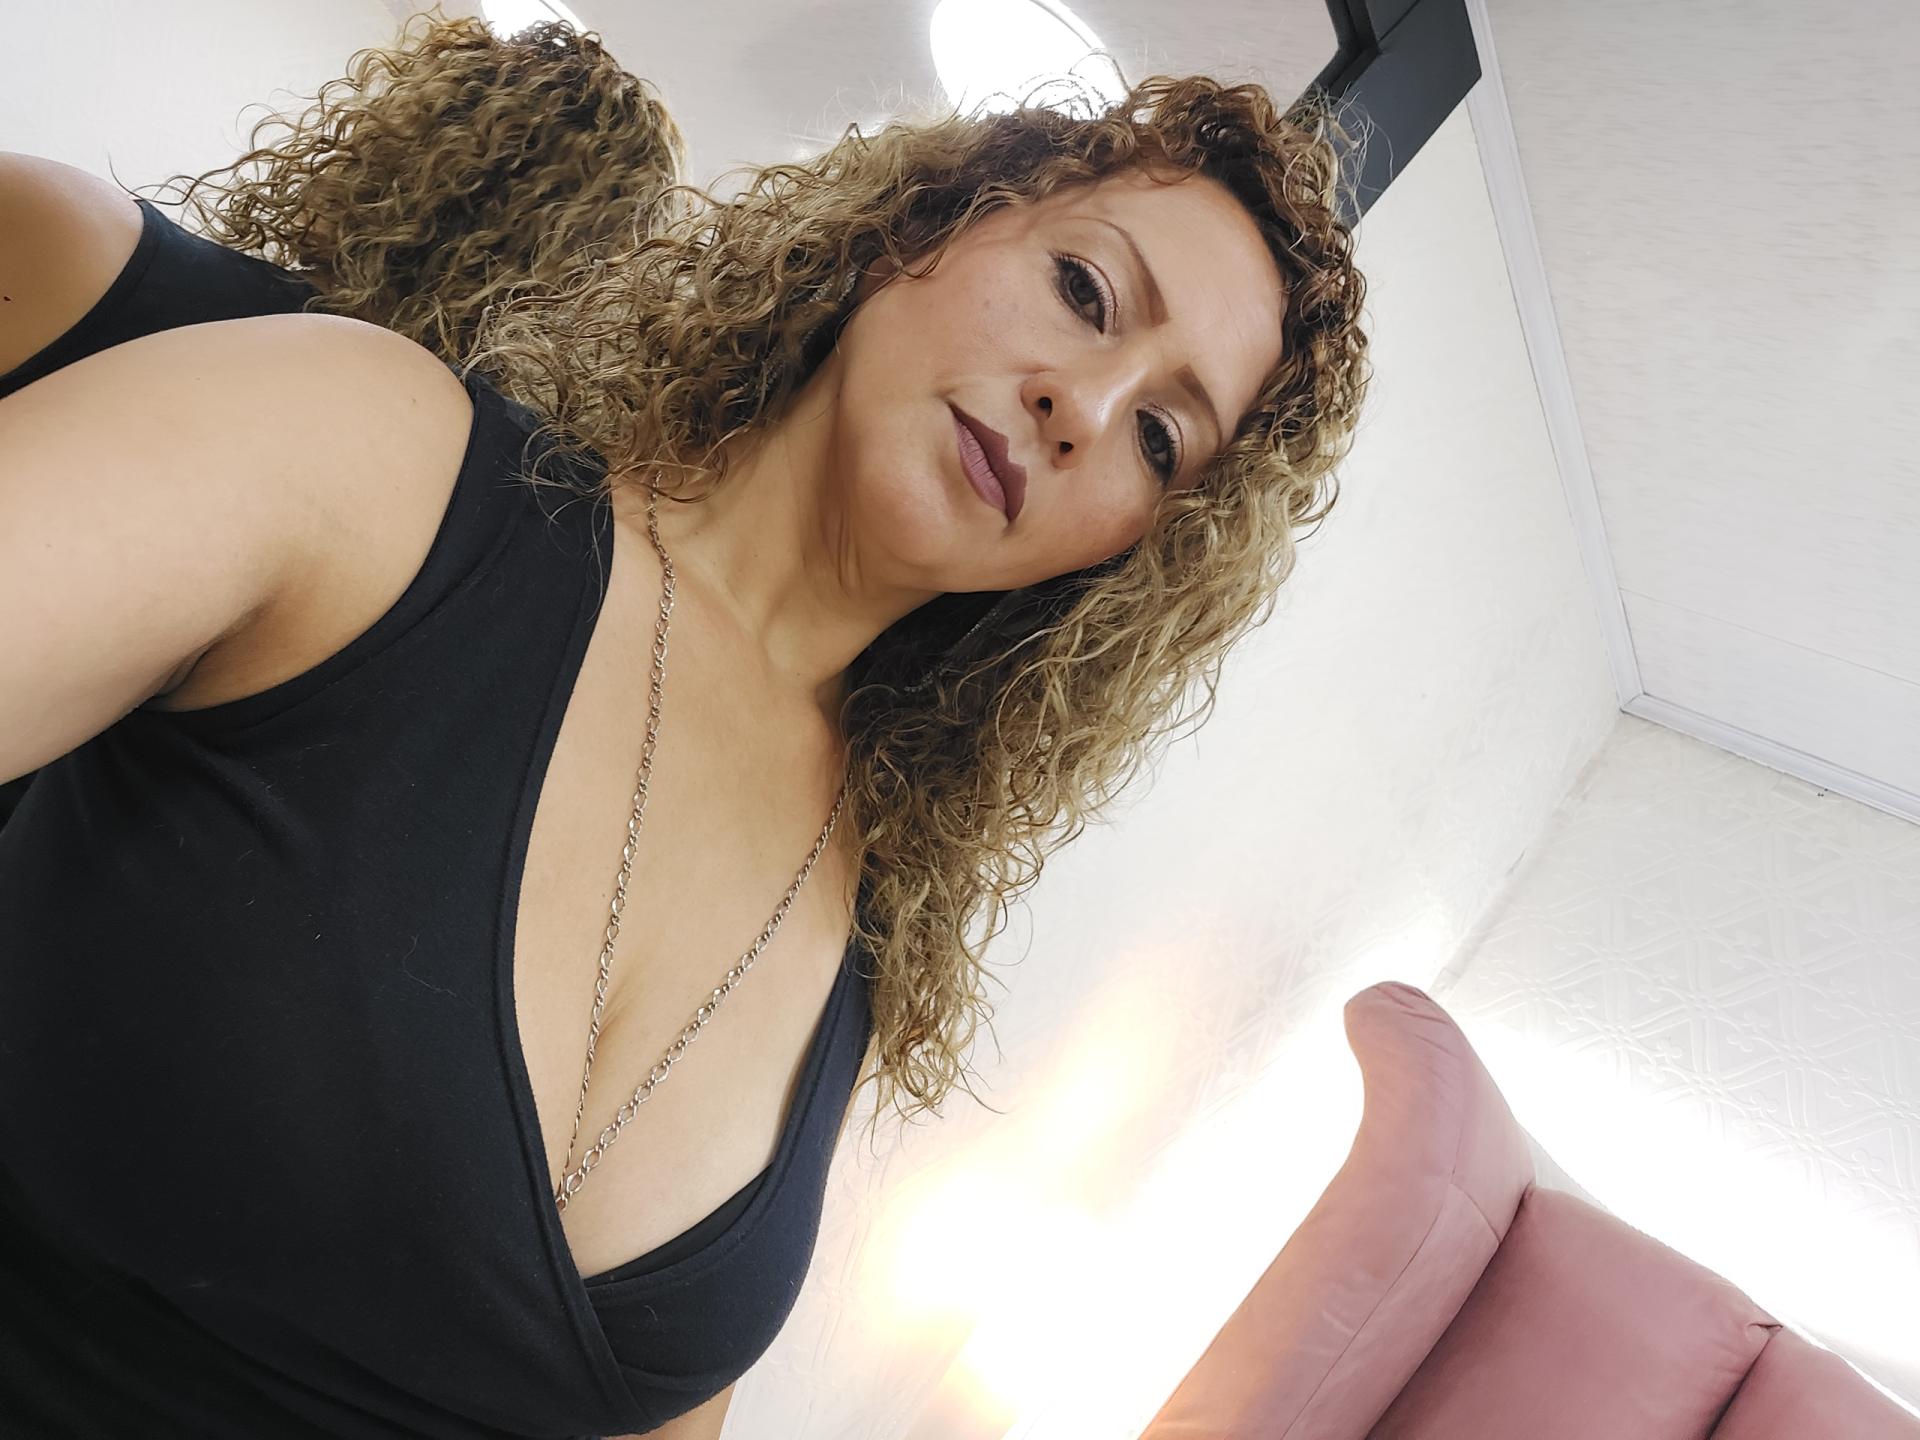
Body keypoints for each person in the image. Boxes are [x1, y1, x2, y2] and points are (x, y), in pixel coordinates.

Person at [0, 11, 1370, 1438]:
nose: (1080, 406)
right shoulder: (368, 459)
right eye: (1085, 291)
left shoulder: (860, 942)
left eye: (1161, 438)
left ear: (1132, 549)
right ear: (927, 224)